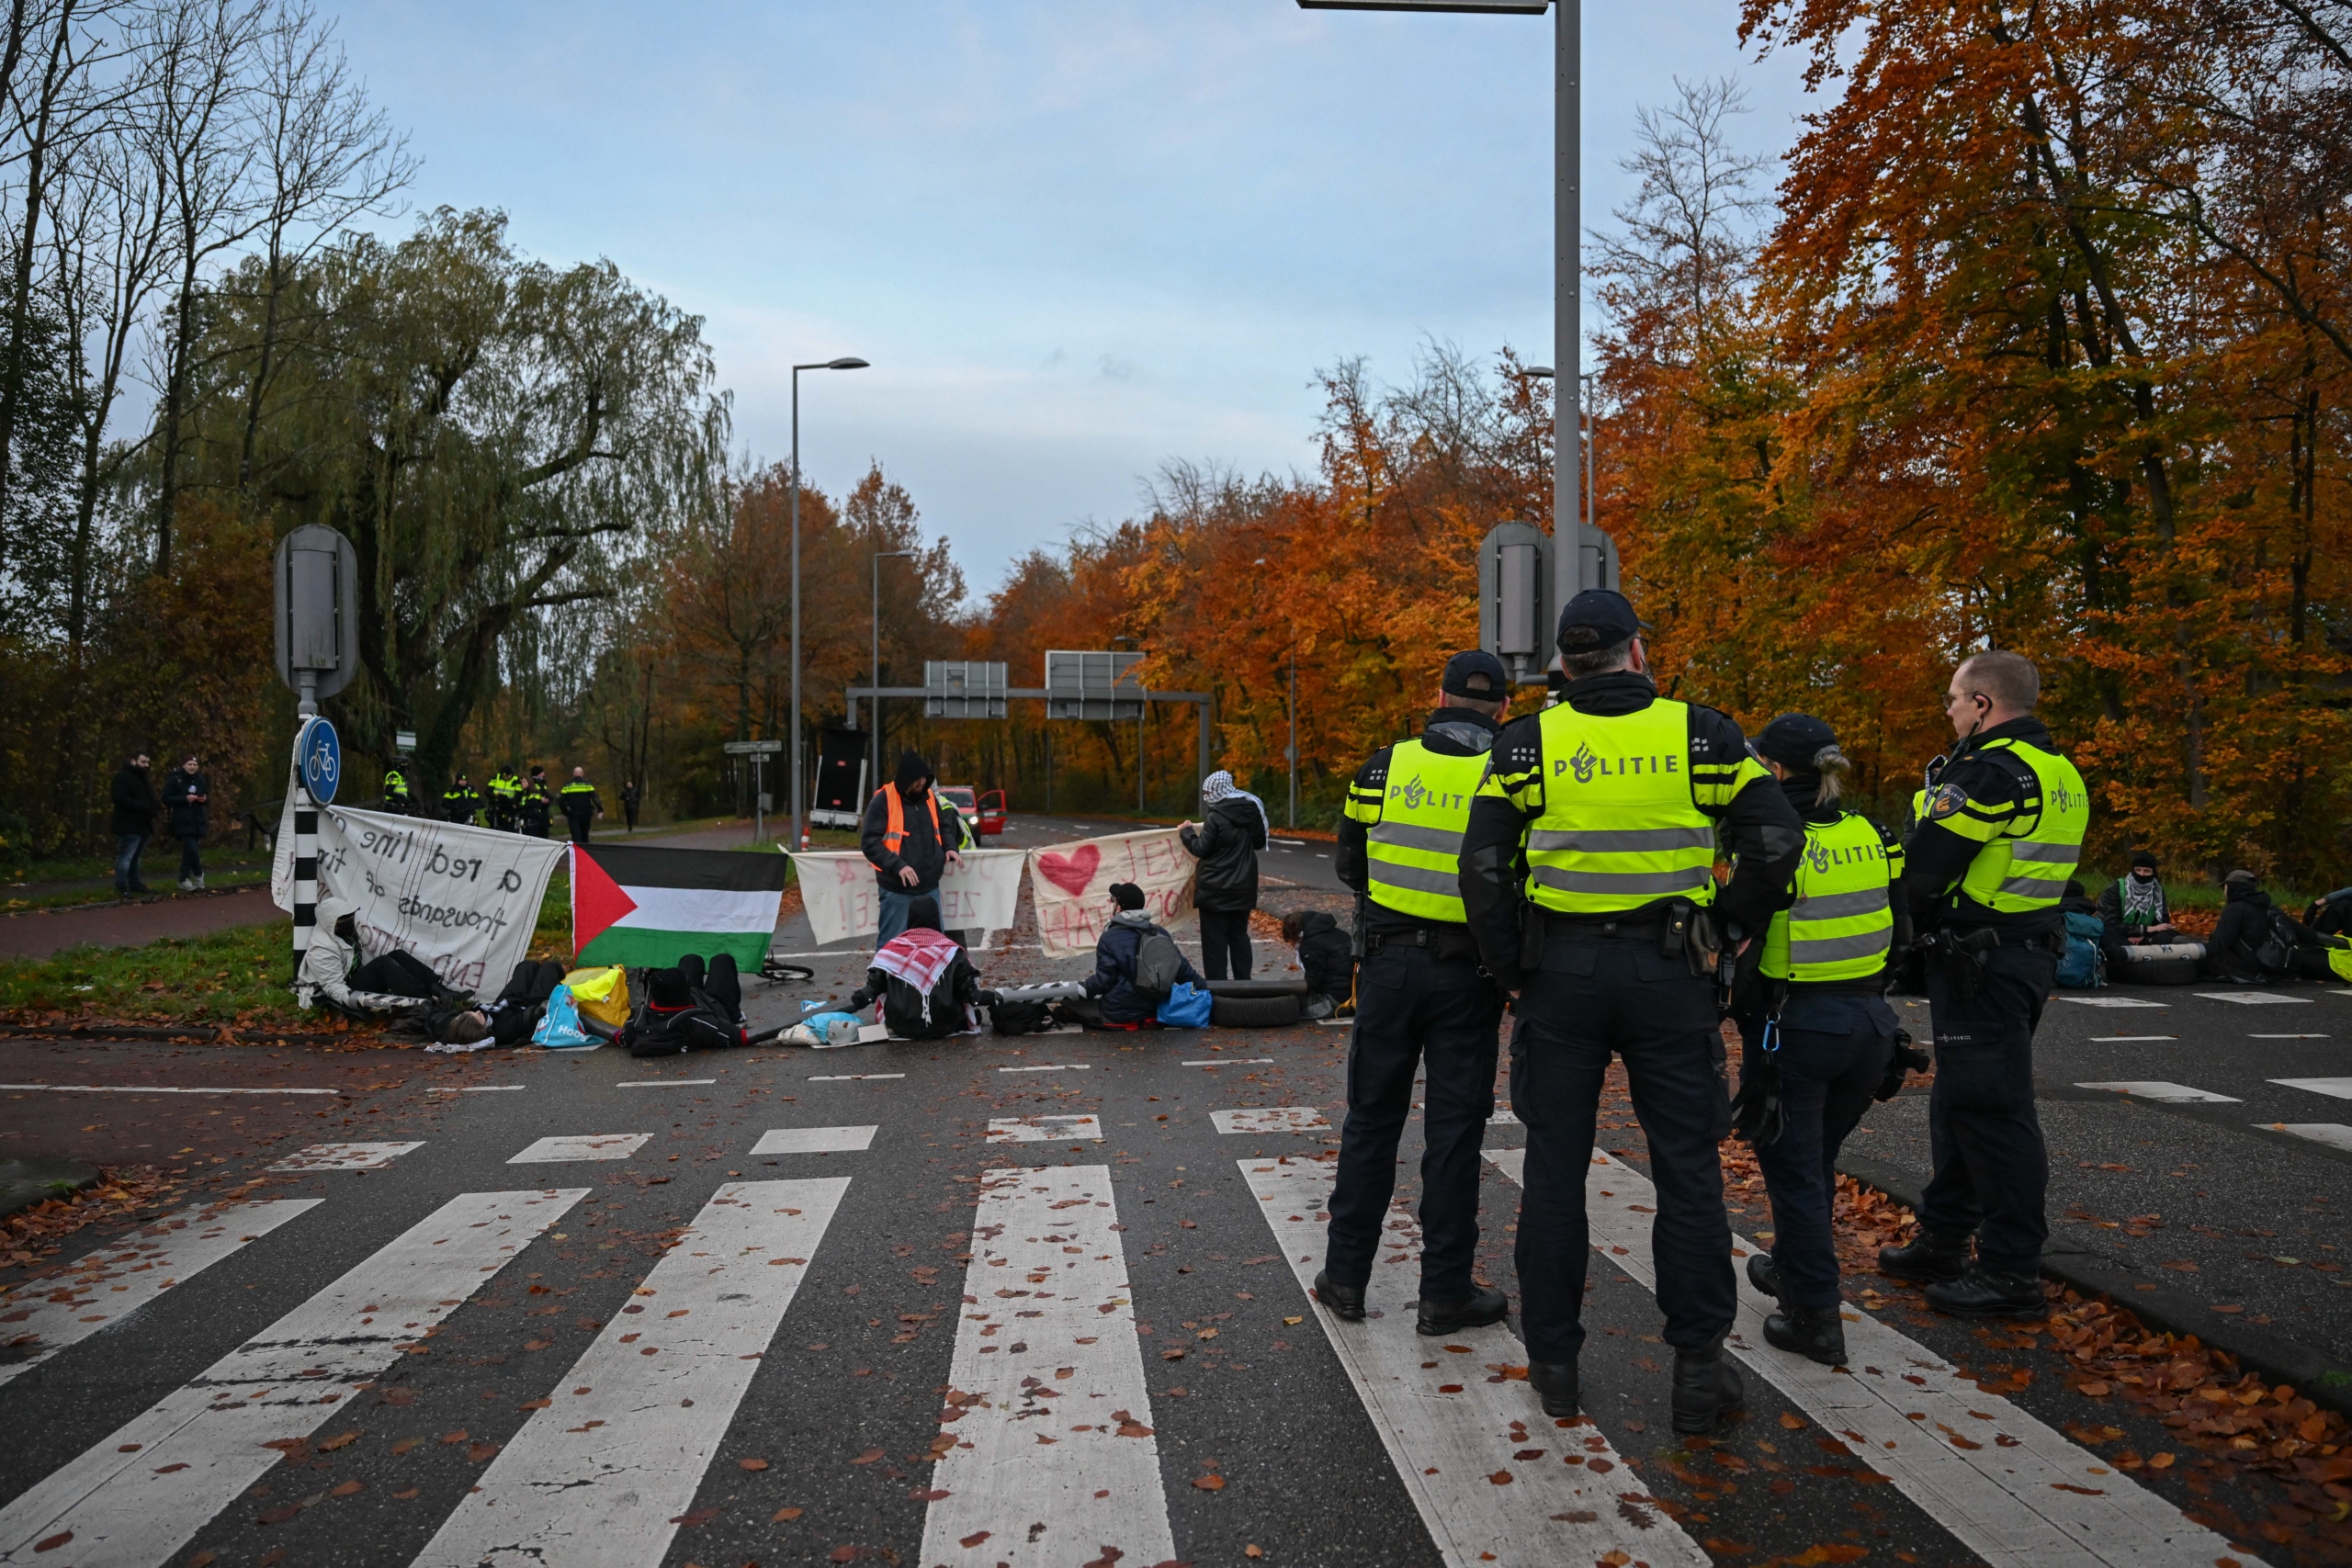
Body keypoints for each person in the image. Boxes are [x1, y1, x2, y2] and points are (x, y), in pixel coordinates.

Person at [1460, 590, 1804, 1431]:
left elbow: (1484, 867)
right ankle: (1696, 1369)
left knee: (1552, 1173)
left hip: (1562, 976)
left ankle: (1555, 1366)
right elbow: (1777, 840)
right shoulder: (1703, 736)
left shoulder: (1525, 742)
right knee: (1688, 1174)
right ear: (1637, 654)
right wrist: (1724, 927)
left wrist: (1513, 969)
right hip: (1670, 972)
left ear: (1565, 665)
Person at [1882, 649, 2086, 1319]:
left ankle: (2009, 1270)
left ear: (1983, 706)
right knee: (1963, 1101)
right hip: (2018, 953)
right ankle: (1943, 1238)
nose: (1947, 710)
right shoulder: (2058, 771)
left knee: (1993, 1111)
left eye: (1953, 698)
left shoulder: (1990, 771)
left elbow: (1925, 869)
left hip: (1983, 961)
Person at [1317, 649, 1513, 1337]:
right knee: (1454, 1136)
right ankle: (1445, 1293)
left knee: (1371, 1121)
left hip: (1390, 969)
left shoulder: (1383, 765)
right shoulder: (1512, 769)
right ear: (1505, 709)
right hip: (1471, 976)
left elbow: (1349, 862)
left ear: (1439, 695)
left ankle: (1345, 1277)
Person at [1733, 714, 1907, 1367]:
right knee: (1815, 1160)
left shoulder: (1775, 839)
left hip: (1797, 1026)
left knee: (1796, 1171)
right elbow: (1903, 919)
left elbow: (1738, 928)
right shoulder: (1875, 833)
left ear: (1776, 770)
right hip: (1870, 1025)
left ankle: (1813, 1313)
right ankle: (1790, 1267)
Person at [859, 750, 966, 945]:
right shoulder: (883, 800)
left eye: (925, 779)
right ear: (906, 779)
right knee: (892, 943)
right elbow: (869, 843)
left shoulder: (930, 799)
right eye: (918, 780)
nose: (923, 783)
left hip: (929, 885)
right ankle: (884, 976)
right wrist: (898, 866)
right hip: (897, 888)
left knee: (935, 943)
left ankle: (932, 976)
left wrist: (950, 846)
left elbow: (943, 826)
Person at [1065, 880, 1205, 1029]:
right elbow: (1182, 970)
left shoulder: (1109, 937)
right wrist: (1206, 990)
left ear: (1119, 908)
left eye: (1114, 901)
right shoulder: (1159, 933)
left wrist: (1082, 991)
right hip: (1155, 1011)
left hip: (1119, 1014)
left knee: (1068, 1004)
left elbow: (1103, 982)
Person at [847, 896, 986, 1039]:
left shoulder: (891, 951)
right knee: (975, 1015)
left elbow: (871, 991)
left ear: (910, 919)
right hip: (945, 1026)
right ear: (937, 919)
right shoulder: (952, 952)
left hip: (900, 1026)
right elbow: (970, 994)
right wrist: (998, 998)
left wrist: (845, 1007)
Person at [1181, 770, 1270, 980]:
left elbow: (1201, 849)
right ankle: (1243, 984)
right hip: (1243, 888)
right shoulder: (1252, 810)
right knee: (1239, 937)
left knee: (1214, 944)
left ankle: (1218, 987)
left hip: (1215, 890)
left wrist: (1186, 833)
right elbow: (1258, 843)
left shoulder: (1216, 817)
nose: (1206, 796)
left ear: (1217, 791)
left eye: (1208, 792)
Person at [2204, 869, 2317, 982]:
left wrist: (2193, 950)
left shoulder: (2235, 909)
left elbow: (2220, 942)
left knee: (2210, 958)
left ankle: (2245, 975)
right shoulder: (2271, 908)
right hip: (2277, 964)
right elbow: (2305, 933)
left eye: (2224, 887)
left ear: (2231, 887)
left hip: (2253, 966)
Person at [2096, 852, 2177, 961]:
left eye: (2147, 871)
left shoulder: (2157, 891)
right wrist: (2144, 929)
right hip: (2118, 933)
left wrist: (2143, 934)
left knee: (2168, 934)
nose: (2141, 874)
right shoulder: (2116, 888)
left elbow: (2162, 922)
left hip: (2144, 935)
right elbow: (2110, 922)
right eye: (2138, 870)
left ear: (2153, 872)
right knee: (2106, 934)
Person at [1283, 909, 1354, 1019]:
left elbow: (1312, 982)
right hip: (1353, 997)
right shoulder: (1341, 934)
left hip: (1334, 1002)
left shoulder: (1310, 945)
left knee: (1286, 1001)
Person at [109, 750, 158, 897]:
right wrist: (143, 806)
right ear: (133, 761)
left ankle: (135, 883)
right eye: (143, 762)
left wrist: (155, 806)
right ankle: (122, 886)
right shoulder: (122, 777)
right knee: (126, 856)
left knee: (136, 857)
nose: (146, 765)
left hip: (143, 824)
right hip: (129, 824)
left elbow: (150, 797)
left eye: (148, 762)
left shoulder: (143, 778)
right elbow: (120, 799)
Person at [161, 753, 211, 892]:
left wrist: (204, 798)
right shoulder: (175, 779)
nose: (192, 767)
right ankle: (194, 875)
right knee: (191, 847)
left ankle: (188, 878)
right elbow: (166, 798)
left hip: (197, 819)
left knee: (190, 850)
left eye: (195, 765)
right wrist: (185, 799)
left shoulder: (200, 779)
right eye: (190, 764)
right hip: (182, 819)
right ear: (184, 766)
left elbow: (206, 794)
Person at [560, 766, 602, 843]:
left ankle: (577, 853)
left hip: (573, 813)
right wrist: (600, 809)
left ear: (573, 774)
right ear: (582, 774)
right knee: (585, 834)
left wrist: (565, 812)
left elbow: (561, 800)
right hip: (586, 813)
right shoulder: (587, 784)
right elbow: (595, 797)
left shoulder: (567, 785)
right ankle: (585, 852)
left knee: (576, 835)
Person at [517, 766, 552, 838]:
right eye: (542, 773)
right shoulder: (529, 789)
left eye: (524, 782)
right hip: (531, 817)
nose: (543, 774)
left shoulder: (540, 786)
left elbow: (548, 797)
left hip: (539, 815)